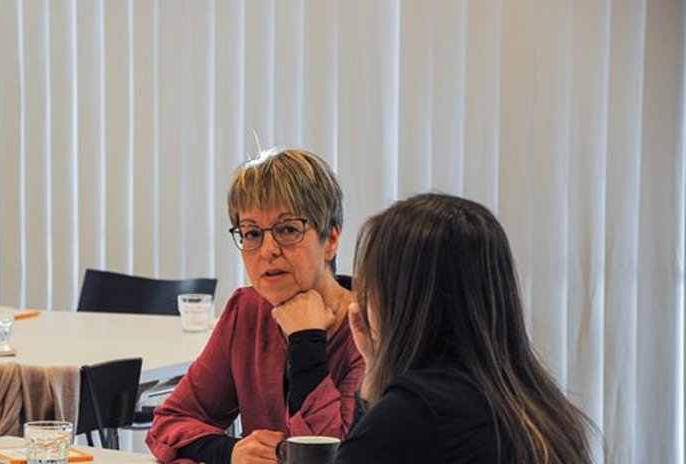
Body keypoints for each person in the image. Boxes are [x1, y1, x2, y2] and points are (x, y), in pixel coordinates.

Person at [335, 193, 595, 464]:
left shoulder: (417, 413)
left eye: (374, 284)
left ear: (402, 300)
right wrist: (373, 364)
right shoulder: (543, 409)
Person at [146, 148, 364, 464]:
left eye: (288, 229)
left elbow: (331, 456)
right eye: (251, 233)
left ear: (330, 240)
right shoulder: (247, 311)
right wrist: (231, 451)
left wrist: (306, 340)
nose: (267, 250)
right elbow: (171, 421)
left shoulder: (370, 326)